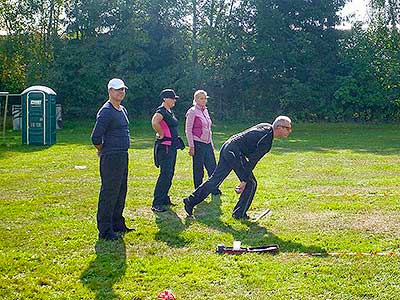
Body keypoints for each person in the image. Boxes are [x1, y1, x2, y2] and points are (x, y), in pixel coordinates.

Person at [183, 116, 292, 219]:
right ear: (278, 127)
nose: (290, 131)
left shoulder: (266, 127)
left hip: (228, 146)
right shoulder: (267, 140)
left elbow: (249, 149)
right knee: (251, 183)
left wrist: (244, 177)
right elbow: (253, 160)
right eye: (287, 128)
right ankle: (239, 214)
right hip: (234, 151)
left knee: (216, 179)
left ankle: (190, 201)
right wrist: (244, 180)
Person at [91, 78, 134, 240]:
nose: (121, 92)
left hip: (123, 155)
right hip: (111, 157)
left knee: (121, 190)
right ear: (110, 91)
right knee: (109, 192)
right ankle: (105, 229)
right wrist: (103, 151)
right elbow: (96, 137)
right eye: (117, 90)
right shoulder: (106, 111)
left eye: (123, 89)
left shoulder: (122, 109)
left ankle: (117, 223)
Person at [185, 90, 221, 195]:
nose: (204, 100)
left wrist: (211, 144)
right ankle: (198, 190)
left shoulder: (205, 111)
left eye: (205, 98)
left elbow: (209, 129)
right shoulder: (192, 111)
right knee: (198, 168)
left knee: (212, 167)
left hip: (207, 143)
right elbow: (188, 129)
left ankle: (214, 188)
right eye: (201, 98)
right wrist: (191, 146)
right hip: (197, 143)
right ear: (195, 99)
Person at [151, 89, 181, 212]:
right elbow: (154, 122)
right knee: (165, 174)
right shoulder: (161, 111)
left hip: (172, 147)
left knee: (170, 173)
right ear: (165, 99)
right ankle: (157, 202)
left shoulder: (169, 111)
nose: (174, 100)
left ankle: (164, 198)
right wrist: (161, 133)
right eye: (172, 98)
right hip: (165, 147)